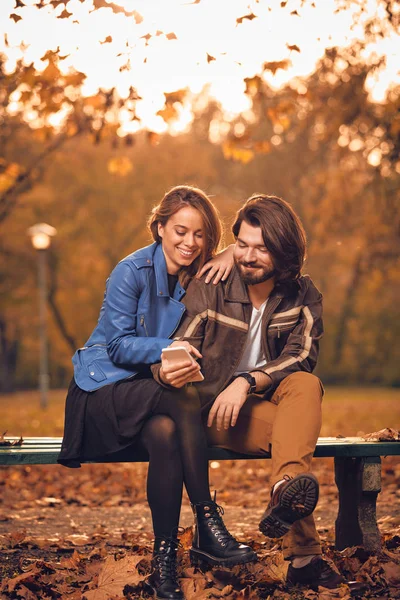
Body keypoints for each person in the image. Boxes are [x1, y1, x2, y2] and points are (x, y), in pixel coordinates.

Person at [58, 186, 256, 600]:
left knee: (166, 434)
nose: (189, 242)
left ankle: (164, 560)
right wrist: (170, 349)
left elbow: (259, 251)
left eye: (201, 235)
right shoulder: (130, 271)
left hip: (150, 395)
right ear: (160, 227)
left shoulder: (200, 273)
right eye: (180, 231)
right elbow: (116, 345)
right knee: (181, 398)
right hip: (103, 390)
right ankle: (207, 520)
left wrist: (228, 254)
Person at [156, 194, 360, 592]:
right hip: (214, 412)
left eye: (261, 248)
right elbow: (179, 345)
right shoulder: (210, 286)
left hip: (264, 403)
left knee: (305, 384)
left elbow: (302, 355)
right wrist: (179, 370)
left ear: (284, 253)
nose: (248, 257)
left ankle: (285, 491)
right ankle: (305, 556)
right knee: (293, 440)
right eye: (242, 245)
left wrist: (247, 381)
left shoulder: (303, 294)